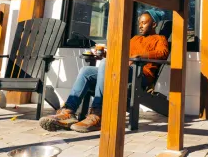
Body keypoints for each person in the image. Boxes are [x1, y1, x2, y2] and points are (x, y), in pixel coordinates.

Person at [39, 10, 170, 133]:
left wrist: (141, 55)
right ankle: (68, 112)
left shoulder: (160, 39)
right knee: (86, 71)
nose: (140, 26)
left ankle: (97, 114)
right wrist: (105, 53)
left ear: (154, 24)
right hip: (124, 70)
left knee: (106, 64)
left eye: (144, 22)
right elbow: (121, 53)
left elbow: (163, 53)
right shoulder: (135, 39)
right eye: (139, 23)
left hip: (141, 74)